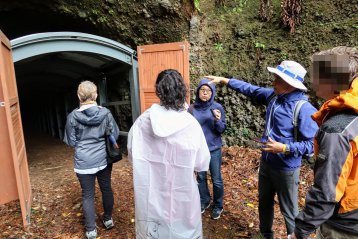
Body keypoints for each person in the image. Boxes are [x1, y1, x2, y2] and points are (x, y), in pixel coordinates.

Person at [205, 60, 318, 239]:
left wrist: (285, 147)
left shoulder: (303, 109)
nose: (273, 82)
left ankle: (294, 236)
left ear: (290, 85)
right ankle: (266, 235)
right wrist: (225, 80)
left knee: (289, 210)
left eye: (277, 80)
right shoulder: (273, 97)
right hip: (266, 164)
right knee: (264, 203)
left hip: (286, 169)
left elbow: (312, 144)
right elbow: (250, 89)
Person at [127, 69, 210, 239]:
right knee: (183, 230)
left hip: (151, 188)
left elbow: (132, 153)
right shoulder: (190, 124)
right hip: (182, 190)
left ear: (158, 90)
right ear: (182, 90)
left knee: (154, 230)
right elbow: (202, 162)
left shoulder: (143, 122)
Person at [292, 46, 358, 239]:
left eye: (316, 74)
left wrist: (302, 229)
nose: (312, 81)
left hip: (345, 226)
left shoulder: (338, 129)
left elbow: (327, 191)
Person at [63, 80, 119, 239]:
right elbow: (113, 134)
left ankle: (91, 230)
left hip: (83, 162)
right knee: (106, 188)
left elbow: (71, 141)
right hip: (103, 159)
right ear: (95, 95)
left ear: (79, 97)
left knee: (87, 195)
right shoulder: (105, 113)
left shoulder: (73, 116)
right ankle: (108, 220)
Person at [189, 78, 226, 220]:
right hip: (198, 149)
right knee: (201, 177)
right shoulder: (192, 109)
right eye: (202, 90)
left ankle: (218, 206)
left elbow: (221, 129)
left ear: (213, 93)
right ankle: (204, 201)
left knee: (216, 179)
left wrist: (217, 119)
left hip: (214, 148)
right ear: (198, 92)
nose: (205, 93)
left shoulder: (217, 107)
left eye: (208, 91)